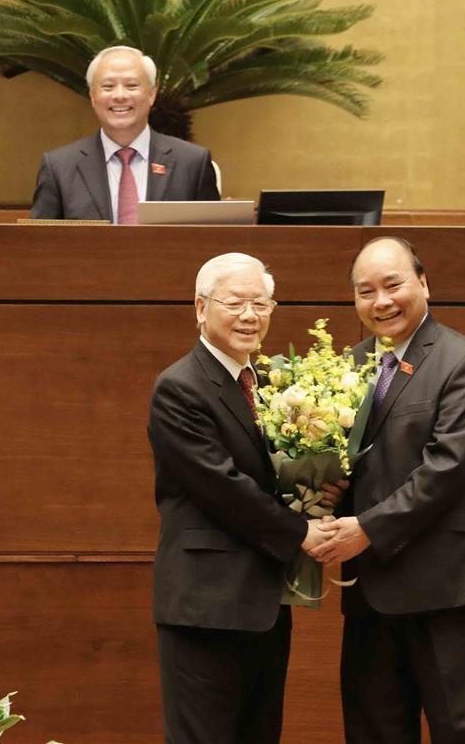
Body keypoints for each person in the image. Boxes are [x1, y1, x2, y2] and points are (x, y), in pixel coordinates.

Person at [311, 236, 465, 743]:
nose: (381, 301)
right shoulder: (346, 366)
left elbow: (447, 468)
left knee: (456, 732)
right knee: (372, 731)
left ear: (424, 283)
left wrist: (367, 530)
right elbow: (343, 461)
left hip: (446, 587)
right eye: (365, 291)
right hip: (370, 592)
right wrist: (321, 493)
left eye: (393, 285)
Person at [147, 253, 335, 744]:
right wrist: (302, 532)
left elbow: (283, 473)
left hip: (266, 605)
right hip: (205, 605)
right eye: (235, 303)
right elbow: (222, 487)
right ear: (200, 307)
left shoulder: (276, 382)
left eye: (262, 303)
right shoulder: (180, 387)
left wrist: (326, 490)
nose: (251, 315)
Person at [31, 46, 219, 222]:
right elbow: (39, 244)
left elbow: (214, 242)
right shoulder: (59, 167)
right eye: (108, 86)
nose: (119, 95)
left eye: (131, 85)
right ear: (92, 96)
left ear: (152, 94)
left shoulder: (192, 163)